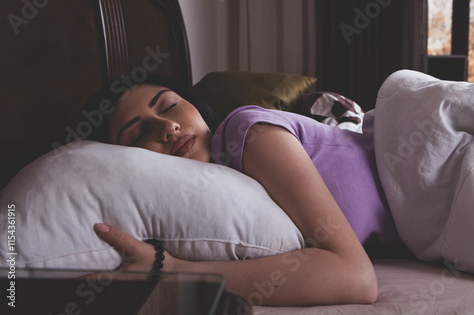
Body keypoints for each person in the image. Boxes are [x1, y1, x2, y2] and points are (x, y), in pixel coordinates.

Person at [86, 75, 401, 306]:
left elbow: (357, 278)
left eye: (169, 106)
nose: (168, 128)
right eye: (140, 133)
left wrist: (175, 270)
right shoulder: (227, 192)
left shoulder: (246, 133)